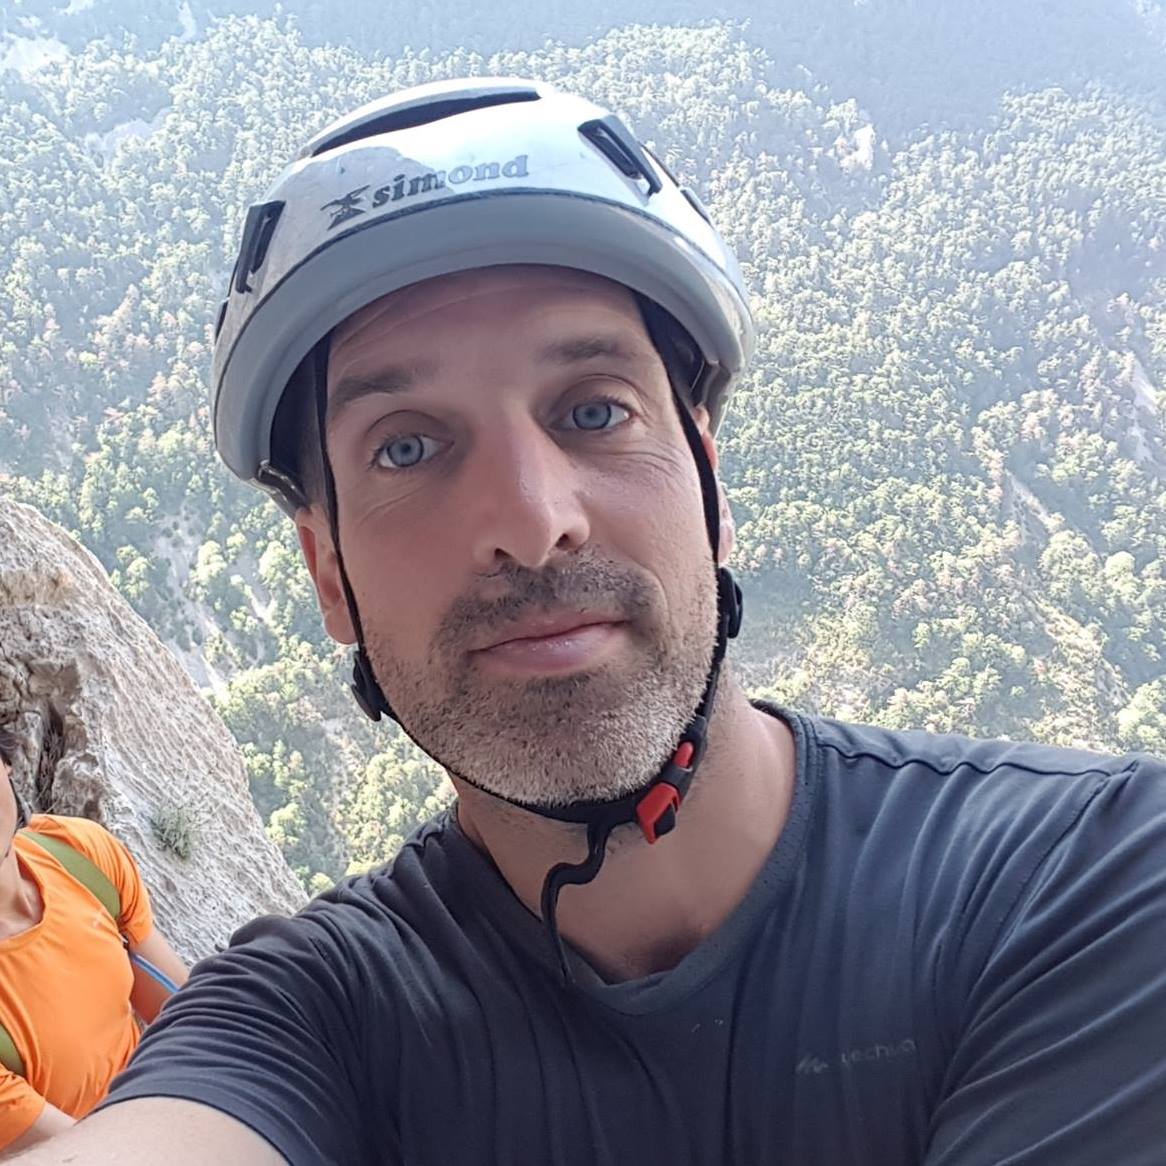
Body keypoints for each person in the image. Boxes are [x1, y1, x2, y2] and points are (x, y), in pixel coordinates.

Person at [14, 78, 1166, 1165]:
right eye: (406, 446)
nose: (530, 521)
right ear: (329, 576)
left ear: (709, 484)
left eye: (593, 410)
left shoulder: (1085, 880)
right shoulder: (307, 1019)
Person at [0, 724, 188, 1155]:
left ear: (6, 762)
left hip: (166, 1107)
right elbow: (95, 1155)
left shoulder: (80, 854)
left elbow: (187, 1018)